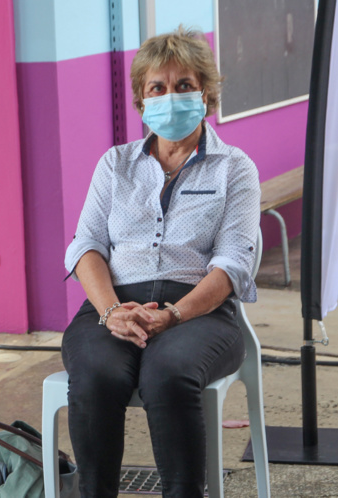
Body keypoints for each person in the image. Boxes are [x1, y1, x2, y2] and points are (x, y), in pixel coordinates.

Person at [61, 26, 260, 497]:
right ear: (141, 101)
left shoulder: (235, 168)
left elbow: (232, 264)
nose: (171, 97)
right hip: (116, 306)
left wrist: (172, 316)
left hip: (200, 312)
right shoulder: (116, 164)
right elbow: (85, 244)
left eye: (185, 85)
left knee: (168, 374)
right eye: (158, 87)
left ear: (207, 95)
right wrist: (111, 312)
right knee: (96, 375)